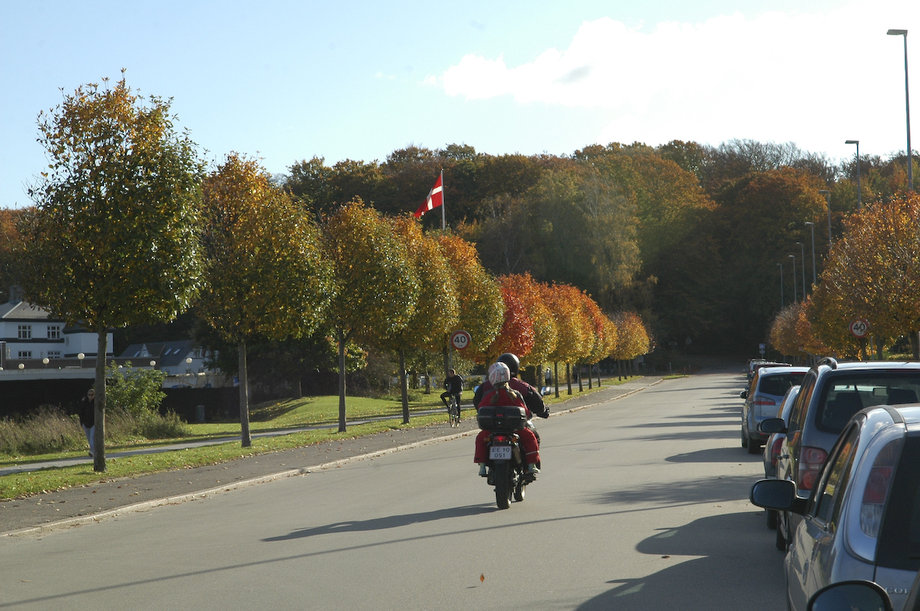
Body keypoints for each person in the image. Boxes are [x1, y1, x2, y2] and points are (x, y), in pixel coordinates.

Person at [474, 361, 542, 478]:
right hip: (515, 430)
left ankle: (482, 466)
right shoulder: (515, 395)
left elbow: (480, 409)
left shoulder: (488, 395)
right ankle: (531, 465)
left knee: (480, 438)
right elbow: (525, 412)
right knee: (530, 437)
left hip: (492, 430)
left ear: (492, 377)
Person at [473, 353, 550, 420]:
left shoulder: (485, 388)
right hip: (517, 426)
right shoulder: (521, 389)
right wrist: (542, 411)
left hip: (491, 426)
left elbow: (478, 406)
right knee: (530, 432)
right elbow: (536, 405)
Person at [79, 387, 96, 457]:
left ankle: (92, 451)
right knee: (89, 439)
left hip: (93, 423)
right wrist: (82, 423)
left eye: (92, 395)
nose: (90, 396)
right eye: (89, 395)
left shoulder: (96, 403)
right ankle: (94, 450)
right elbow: (81, 413)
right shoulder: (84, 402)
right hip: (85, 423)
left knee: (92, 438)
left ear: (94, 395)